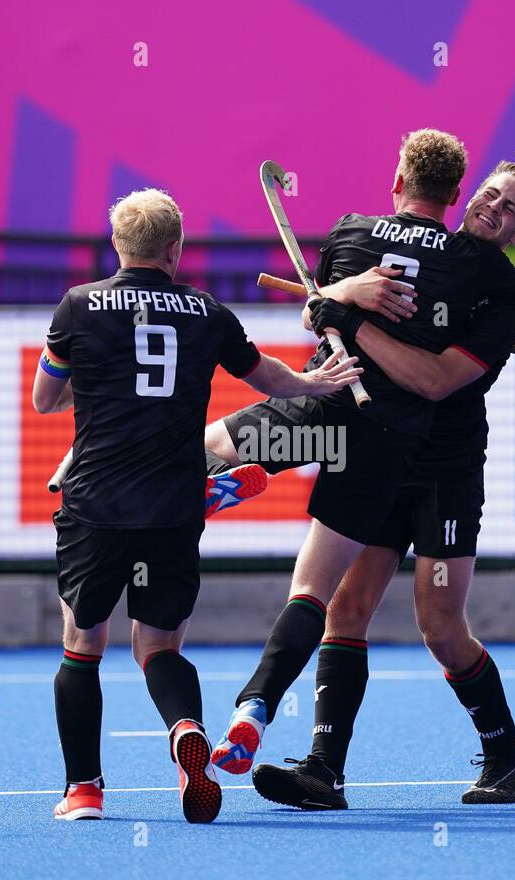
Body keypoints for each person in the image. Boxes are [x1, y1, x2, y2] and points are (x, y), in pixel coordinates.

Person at [204, 131, 515, 776]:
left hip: (444, 467)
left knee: (439, 624)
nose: (494, 209)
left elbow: (436, 379)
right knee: (346, 605)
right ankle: (324, 770)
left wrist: (349, 314)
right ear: (465, 194)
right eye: (492, 194)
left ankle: (506, 752)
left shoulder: (503, 299)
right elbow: (328, 317)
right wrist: (340, 298)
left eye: (511, 211)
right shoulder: (442, 259)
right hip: (382, 443)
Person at [31, 189, 361, 823]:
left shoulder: (78, 305)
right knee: (158, 648)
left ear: (117, 246)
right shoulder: (206, 312)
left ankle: (84, 791)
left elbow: (47, 399)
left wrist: (98, 372)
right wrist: (317, 381)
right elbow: (268, 378)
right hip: (175, 509)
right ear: (175, 250)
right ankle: (185, 729)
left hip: (95, 506)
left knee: (82, 646)